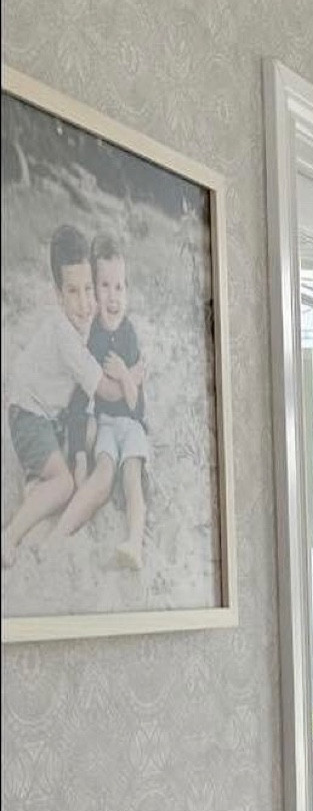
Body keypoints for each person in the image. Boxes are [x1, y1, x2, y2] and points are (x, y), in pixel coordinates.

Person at [1, 224, 118, 567]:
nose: (84, 304)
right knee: (64, 484)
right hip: (29, 414)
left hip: (49, 411)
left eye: (88, 289)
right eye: (73, 292)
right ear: (58, 294)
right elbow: (103, 388)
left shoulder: (81, 320)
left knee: (85, 437)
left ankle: (35, 487)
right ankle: (10, 535)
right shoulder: (64, 334)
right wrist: (131, 383)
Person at [53, 234, 149, 569]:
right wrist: (80, 452)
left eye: (119, 287)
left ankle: (134, 542)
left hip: (132, 426)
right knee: (105, 473)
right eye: (104, 286)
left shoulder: (130, 334)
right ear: (94, 290)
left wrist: (125, 375)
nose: (112, 296)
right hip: (105, 423)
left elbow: (137, 407)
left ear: (127, 292)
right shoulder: (91, 337)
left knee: (132, 476)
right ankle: (61, 532)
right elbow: (80, 400)